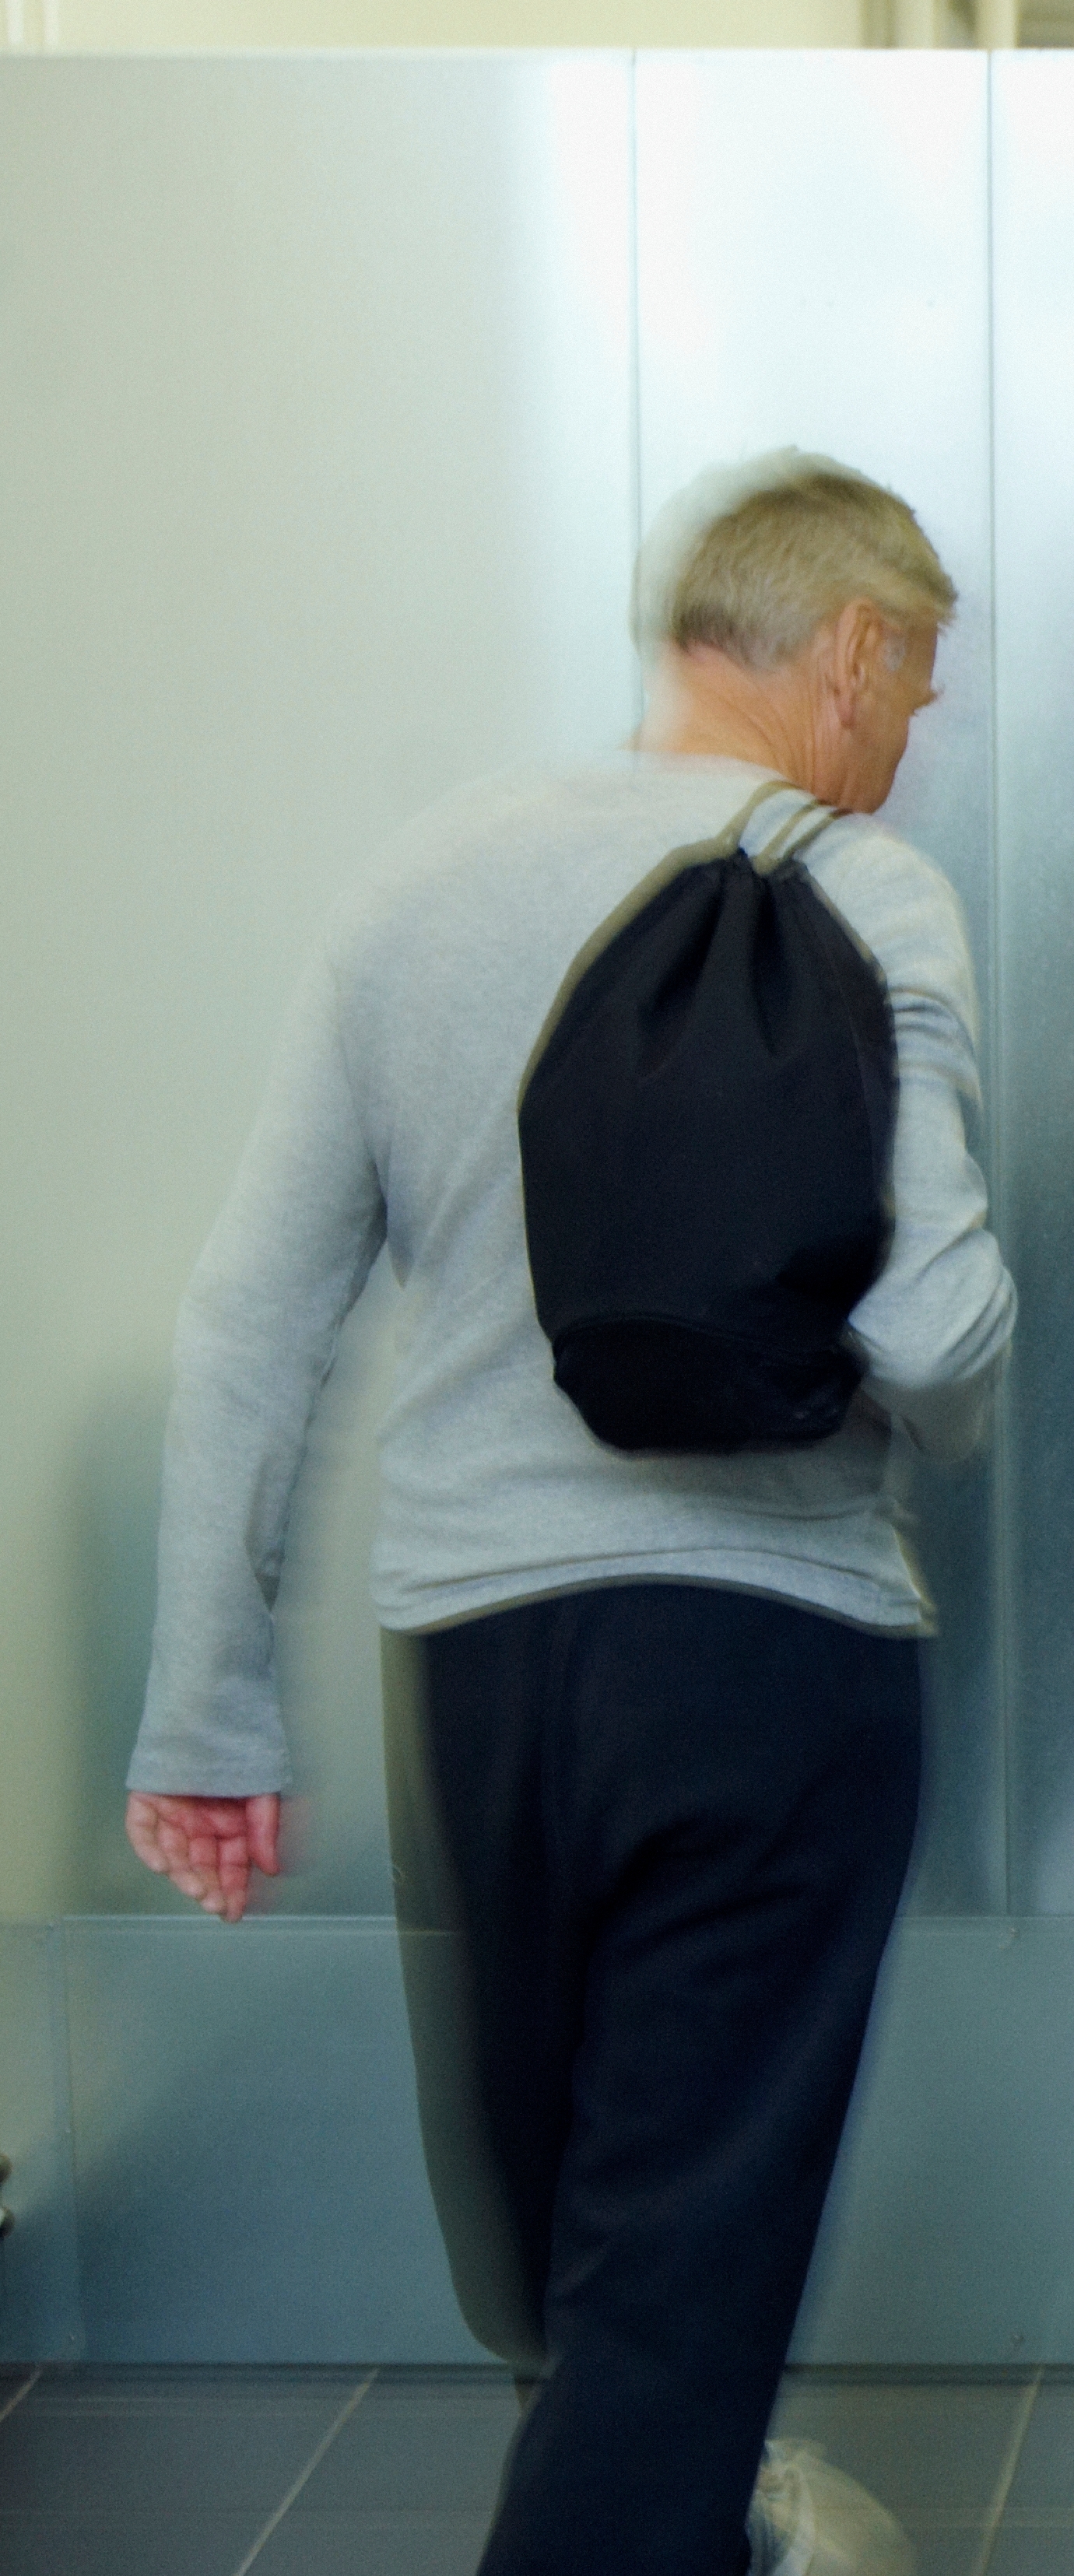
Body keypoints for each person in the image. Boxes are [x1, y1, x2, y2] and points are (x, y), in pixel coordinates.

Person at [123, 454, 1013, 2576]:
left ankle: (699, 2526)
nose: (908, 746)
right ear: (854, 647)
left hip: (482, 1663)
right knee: (671, 2294)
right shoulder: (856, 888)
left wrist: (205, 1716)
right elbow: (940, 1308)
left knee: (569, 2277)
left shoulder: (416, 886)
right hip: (768, 1649)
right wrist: (950, 1432)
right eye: (918, 691)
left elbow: (251, 1322)